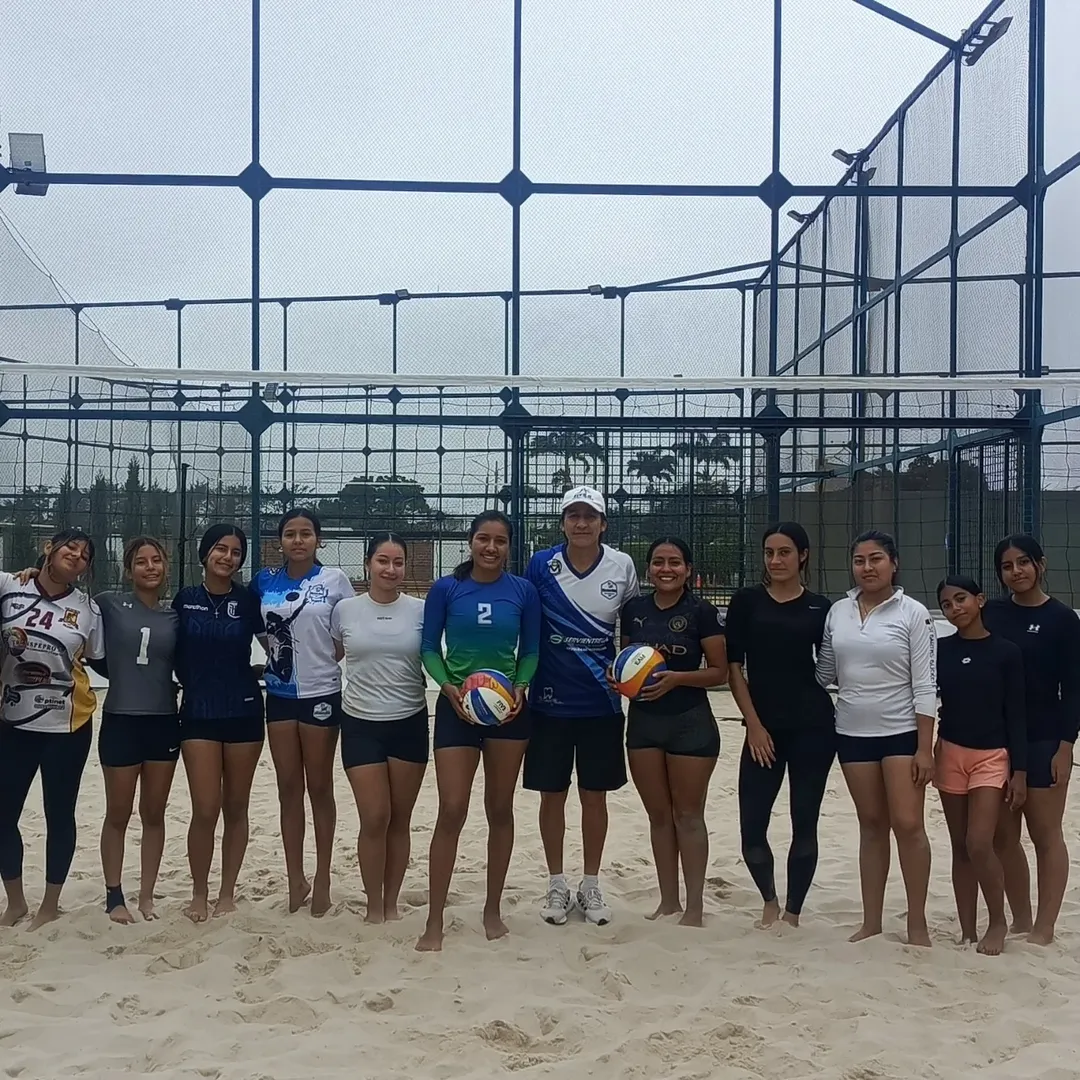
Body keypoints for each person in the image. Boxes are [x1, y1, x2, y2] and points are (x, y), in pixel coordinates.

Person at [416, 510, 540, 951]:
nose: (491, 548)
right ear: (470, 543)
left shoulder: (523, 591)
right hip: (457, 707)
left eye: (500, 541)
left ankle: (492, 910)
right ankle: (434, 919)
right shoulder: (447, 589)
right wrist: (449, 688)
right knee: (451, 809)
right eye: (483, 539)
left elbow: (531, 650)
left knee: (500, 808)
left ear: (509, 546)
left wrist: (520, 688)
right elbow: (429, 648)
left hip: (508, 711)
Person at [524, 486, 639, 927]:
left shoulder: (621, 565)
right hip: (549, 702)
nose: (582, 523)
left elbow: (630, 630)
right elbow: (531, 626)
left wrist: (628, 671)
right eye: (573, 515)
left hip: (602, 703)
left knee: (595, 797)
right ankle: (556, 882)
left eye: (590, 515)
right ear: (563, 523)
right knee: (551, 797)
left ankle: (590, 883)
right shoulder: (541, 564)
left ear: (604, 523)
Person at [815, 530, 936, 947]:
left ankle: (917, 922)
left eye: (876, 559)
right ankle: (872, 921)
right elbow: (824, 673)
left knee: (908, 824)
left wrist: (925, 747)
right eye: (860, 560)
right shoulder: (839, 612)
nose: (868, 567)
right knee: (871, 825)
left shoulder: (913, 613)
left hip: (901, 731)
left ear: (894, 563)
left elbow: (925, 685)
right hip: (852, 731)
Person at [727, 522, 835, 929]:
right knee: (752, 825)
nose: (775, 560)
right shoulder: (747, 601)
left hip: (813, 727)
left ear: (802, 555)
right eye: (769, 552)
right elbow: (735, 668)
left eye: (785, 552)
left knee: (804, 821)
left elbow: (830, 667)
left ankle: (792, 912)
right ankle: (769, 899)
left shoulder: (822, 608)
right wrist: (753, 724)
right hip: (763, 729)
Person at [617, 537, 727, 927]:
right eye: (659, 562)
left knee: (688, 815)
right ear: (648, 569)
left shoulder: (703, 612)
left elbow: (720, 672)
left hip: (690, 722)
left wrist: (676, 679)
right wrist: (620, 680)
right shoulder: (634, 610)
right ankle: (668, 901)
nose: (667, 569)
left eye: (675, 562)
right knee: (659, 816)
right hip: (645, 724)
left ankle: (694, 906)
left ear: (688, 569)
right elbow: (627, 663)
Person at [0, 528, 104, 930]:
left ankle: (49, 905)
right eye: (70, 547)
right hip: (13, 722)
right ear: (48, 548)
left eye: (85, 555)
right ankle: (16, 903)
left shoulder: (88, 609)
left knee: (59, 815)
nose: (77, 555)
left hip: (68, 724)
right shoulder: (11, 585)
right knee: (4, 815)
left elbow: (94, 658)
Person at [252, 508, 354, 917]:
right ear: (280, 541)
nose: (298, 540)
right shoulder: (264, 581)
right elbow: (259, 629)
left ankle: (324, 875)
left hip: (321, 693)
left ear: (318, 540)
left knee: (320, 787)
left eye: (306, 533)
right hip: (278, 694)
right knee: (287, 788)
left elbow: (344, 636)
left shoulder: (335, 581)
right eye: (290, 534)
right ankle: (296, 876)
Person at [983, 534, 1080, 946]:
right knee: (1003, 836)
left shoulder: (1062, 620)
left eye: (1024, 562)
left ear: (1040, 565)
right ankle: (1021, 919)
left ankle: (1044, 928)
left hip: (1044, 738)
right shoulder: (993, 615)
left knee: (1045, 833)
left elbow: (1074, 689)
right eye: (1007, 566)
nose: (1016, 571)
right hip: (999, 739)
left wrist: (1066, 746)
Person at [331, 533, 427, 924]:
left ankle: (392, 901)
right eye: (383, 561)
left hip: (410, 721)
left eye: (398, 562)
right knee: (375, 817)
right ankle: (373, 905)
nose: (391, 569)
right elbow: (331, 655)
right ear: (368, 564)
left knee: (399, 819)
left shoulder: (422, 610)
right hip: (359, 722)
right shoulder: (345, 610)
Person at [173, 524, 265, 922]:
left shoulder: (249, 600)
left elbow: (279, 640)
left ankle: (227, 891)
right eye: (220, 549)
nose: (228, 557)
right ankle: (199, 892)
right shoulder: (185, 599)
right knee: (205, 808)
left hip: (244, 710)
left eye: (235, 551)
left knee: (236, 807)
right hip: (198, 713)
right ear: (205, 553)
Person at [935, 575, 1026, 956]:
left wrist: (1019, 772)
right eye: (947, 604)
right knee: (959, 846)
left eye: (961, 600)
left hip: (992, 756)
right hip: (950, 752)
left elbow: (1016, 715)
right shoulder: (939, 649)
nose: (955, 608)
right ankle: (968, 931)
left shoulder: (1006, 652)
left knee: (979, 842)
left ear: (980, 600)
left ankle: (998, 922)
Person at [95, 536, 180, 924]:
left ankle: (146, 895)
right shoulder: (107, 603)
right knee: (118, 812)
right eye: (141, 561)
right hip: (121, 718)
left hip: (162, 720)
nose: (150, 567)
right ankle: (114, 895)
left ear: (165, 567)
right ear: (128, 570)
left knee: (154, 813)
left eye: (156, 560)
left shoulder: (174, 615)